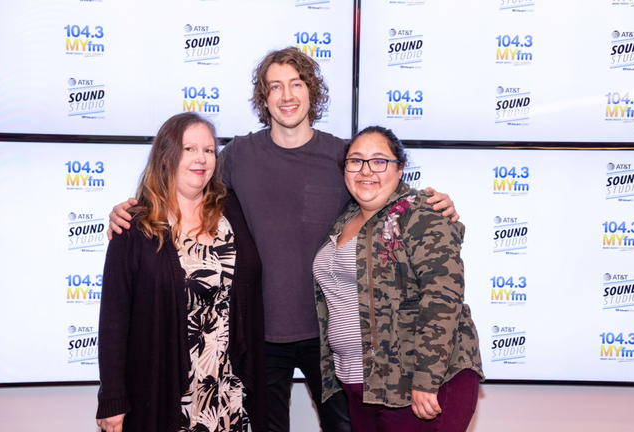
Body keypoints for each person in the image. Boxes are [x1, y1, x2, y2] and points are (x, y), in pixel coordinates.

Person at [107, 47, 459, 432]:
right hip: (259, 334)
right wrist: (134, 209)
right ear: (264, 98)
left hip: (330, 334)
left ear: (312, 91)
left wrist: (429, 202)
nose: (287, 95)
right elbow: (185, 180)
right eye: (275, 86)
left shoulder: (339, 155)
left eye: (296, 84)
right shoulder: (238, 155)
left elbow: (381, 188)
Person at [95, 112, 267, 432]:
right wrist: (112, 398)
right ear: (166, 156)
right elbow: (114, 321)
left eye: (208, 150)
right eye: (189, 149)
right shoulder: (134, 226)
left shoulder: (231, 211)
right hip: (166, 390)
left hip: (228, 390)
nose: (200, 158)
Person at [312, 126, 484, 432]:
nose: (366, 171)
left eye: (379, 161)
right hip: (360, 384)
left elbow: (442, 298)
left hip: (417, 385)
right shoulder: (345, 217)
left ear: (400, 168)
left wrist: (426, 380)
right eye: (356, 161)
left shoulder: (422, 214)